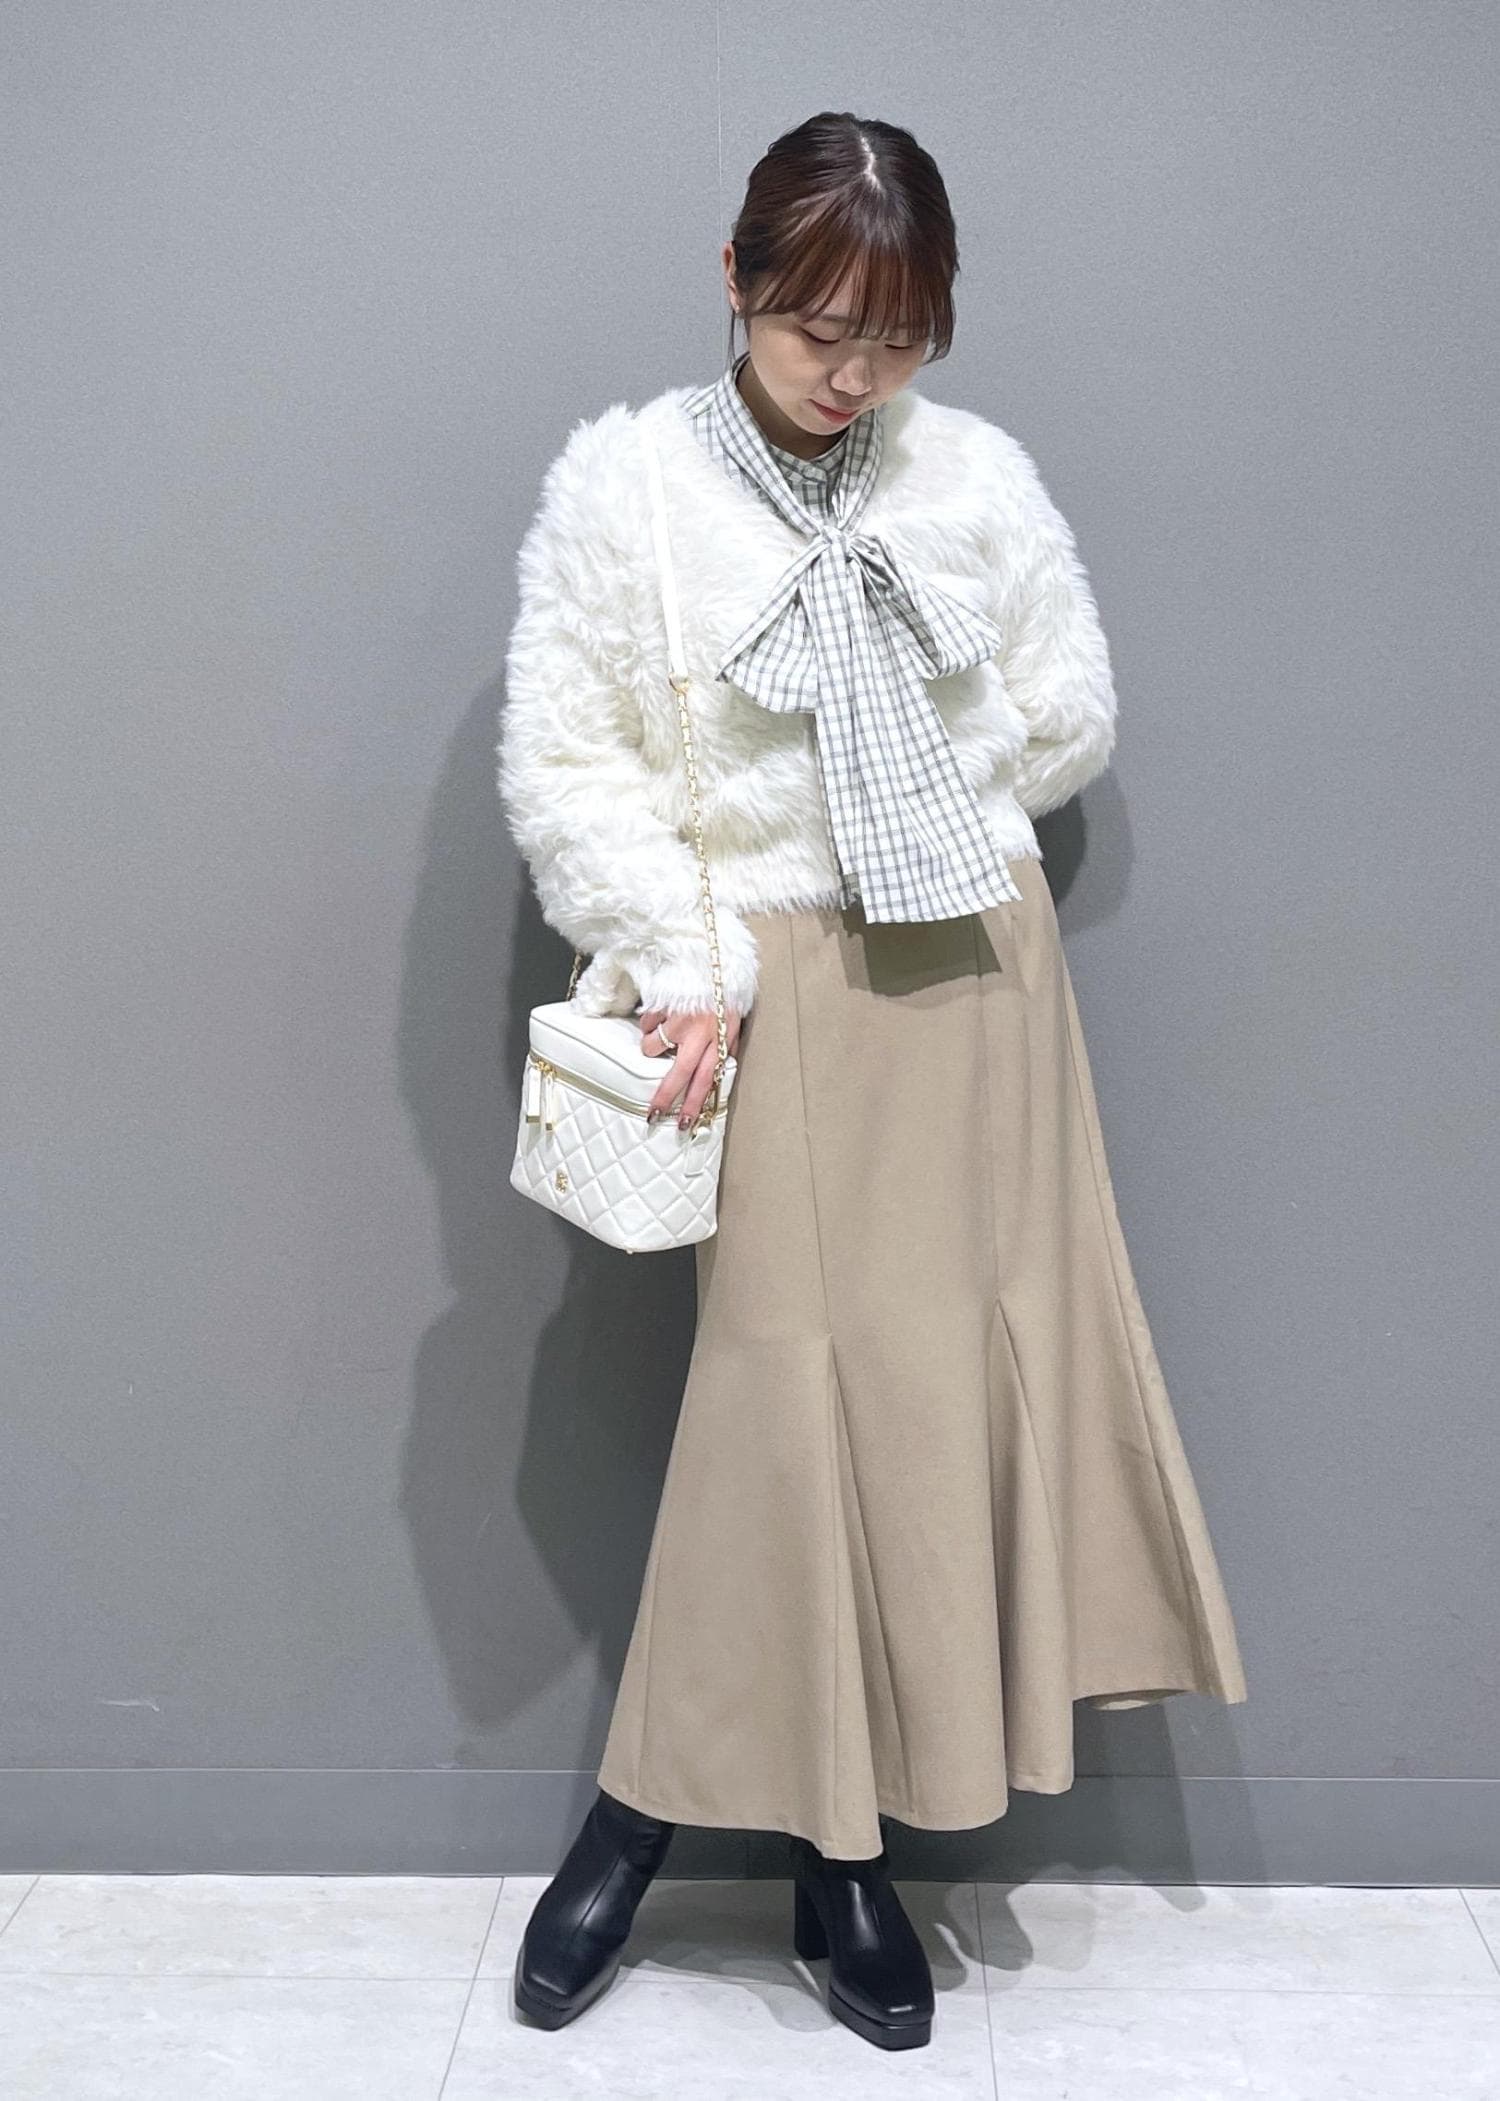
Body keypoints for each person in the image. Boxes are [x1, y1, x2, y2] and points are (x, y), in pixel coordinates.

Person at [495, 110, 1248, 2053]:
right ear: (736, 282)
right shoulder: (630, 488)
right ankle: (651, 1818)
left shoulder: (970, 479)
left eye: (897, 336)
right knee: (779, 1404)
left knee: (933, 1409)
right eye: (819, 324)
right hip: (770, 994)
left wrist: (911, 730)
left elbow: (1068, 710)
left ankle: (847, 1856)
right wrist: (682, 954)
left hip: (970, 976)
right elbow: (570, 757)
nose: (854, 371)